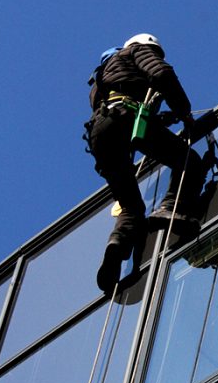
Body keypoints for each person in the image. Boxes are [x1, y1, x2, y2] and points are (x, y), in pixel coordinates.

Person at [85, 33, 204, 293]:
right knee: (190, 162)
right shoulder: (137, 51)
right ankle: (172, 207)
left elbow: (126, 103)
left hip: (100, 133)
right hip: (125, 118)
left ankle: (116, 247)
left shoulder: (103, 78)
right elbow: (161, 74)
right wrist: (184, 111)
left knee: (131, 208)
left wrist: (162, 120)